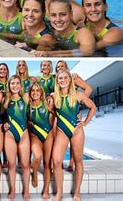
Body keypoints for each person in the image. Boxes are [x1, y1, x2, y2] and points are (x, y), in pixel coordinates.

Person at [51, 69, 96, 201]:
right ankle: (59, 192)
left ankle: (77, 192)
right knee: (57, 161)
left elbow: (93, 107)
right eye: (60, 78)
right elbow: (53, 112)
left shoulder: (79, 95)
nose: (63, 80)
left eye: (65, 78)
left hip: (77, 131)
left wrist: (85, 122)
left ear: (70, 80)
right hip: (61, 131)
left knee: (78, 161)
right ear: (57, 81)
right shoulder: (53, 96)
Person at [2, 75, 31, 199]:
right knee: (12, 164)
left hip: (23, 133)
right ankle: (12, 190)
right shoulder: (5, 99)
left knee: (25, 164)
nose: (15, 86)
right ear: (9, 85)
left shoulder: (25, 97)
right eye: (12, 83)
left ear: (21, 85)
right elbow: (0, 115)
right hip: (10, 134)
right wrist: (4, 123)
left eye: (17, 83)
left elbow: (40, 95)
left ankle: (26, 191)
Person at [28, 82, 55, 198]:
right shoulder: (27, 106)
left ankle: (46, 190)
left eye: (37, 90)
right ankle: (34, 172)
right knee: (37, 156)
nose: (35, 93)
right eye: (33, 90)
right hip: (35, 136)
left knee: (47, 164)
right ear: (30, 93)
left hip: (48, 135)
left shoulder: (47, 104)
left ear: (41, 93)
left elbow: (56, 117)